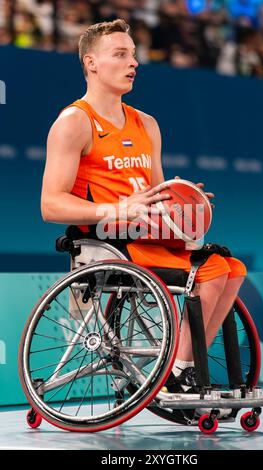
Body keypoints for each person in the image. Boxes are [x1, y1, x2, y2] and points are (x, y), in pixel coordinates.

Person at [41, 18, 247, 390]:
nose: (133, 63)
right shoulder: (74, 122)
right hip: (107, 242)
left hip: (149, 235)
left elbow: (157, 195)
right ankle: (182, 371)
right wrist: (117, 209)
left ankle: (185, 364)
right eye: (120, 55)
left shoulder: (146, 124)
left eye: (133, 55)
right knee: (212, 273)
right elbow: (51, 205)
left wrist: (183, 196)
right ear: (91, 63)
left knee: (231, 268)